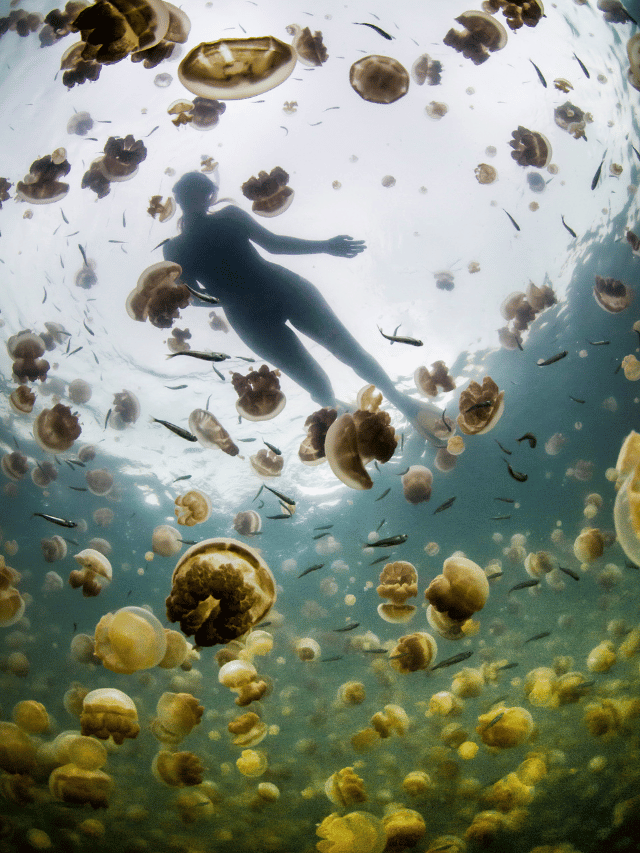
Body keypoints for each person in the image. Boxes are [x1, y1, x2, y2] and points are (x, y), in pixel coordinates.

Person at [163, 171, 443, 438]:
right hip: (252, 316)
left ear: (210, 196)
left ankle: (402, 402)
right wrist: (171, 300)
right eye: (191, 193)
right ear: (180, 198)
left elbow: (273, 244)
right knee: (317, 383)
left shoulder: (229, 217)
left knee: (349, 352)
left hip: (282, 291)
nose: (197, 198)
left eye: (202, 192)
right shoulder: (174, 249)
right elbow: (190, 296)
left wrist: (325, 246)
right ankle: (340, 416)